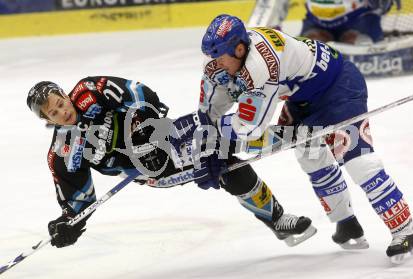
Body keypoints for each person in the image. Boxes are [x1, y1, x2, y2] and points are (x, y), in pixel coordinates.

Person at [198, 14, 413, 263]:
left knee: (359, 162)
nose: (215, 64)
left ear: (239, 49)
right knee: (309, 154)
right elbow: (209, 109)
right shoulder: (226, 60)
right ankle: (346, 223)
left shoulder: (263, 65)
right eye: (212, 57)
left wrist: (213, 138)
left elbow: (250, 129)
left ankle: (405, 231)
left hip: (338, 89)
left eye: (220, 57)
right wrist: (206, 137)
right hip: (302, 97)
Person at [26, 76, 317, 249]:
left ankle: (303, 133)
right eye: (53, 112)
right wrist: (67, 224)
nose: (63, 112)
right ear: (46, 120)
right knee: (226, 164)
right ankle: (278, 218)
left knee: (225, 131)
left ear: (65, 95)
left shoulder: (92, 90)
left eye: (61, 103)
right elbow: (78, 201)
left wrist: (143, 125)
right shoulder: (64, 152)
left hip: (166, 134)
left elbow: (141, 93)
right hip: (155, 170)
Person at [300, 0, 401, 44]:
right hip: (316, 21)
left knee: (361, 45)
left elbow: (382, 6)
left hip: (358, 19)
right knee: (310, 49)